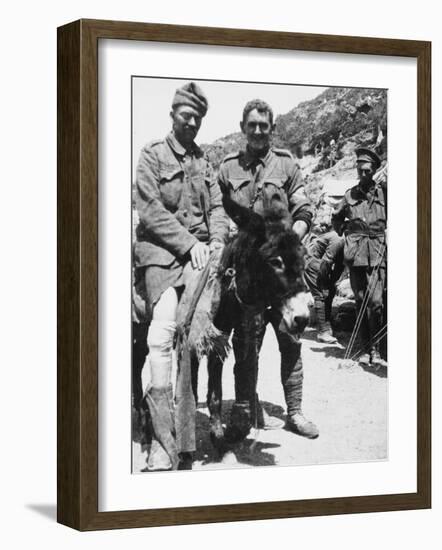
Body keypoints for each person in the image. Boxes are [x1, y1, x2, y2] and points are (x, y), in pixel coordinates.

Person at [133, 82, 229, 470]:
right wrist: (190, 244)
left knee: (195, 337)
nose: (191, 123)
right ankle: (160, 441)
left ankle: (185, 439)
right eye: (185, 115)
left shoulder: (205, 163)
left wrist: (218, 241)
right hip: (161, 254)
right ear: (173, 114)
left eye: (197, 118)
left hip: (201, 257)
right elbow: (150, 210)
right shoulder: (152, 155)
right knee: (161, 333)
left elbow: (218, 208)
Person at [217, 99, 319, 439]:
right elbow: (220, 216)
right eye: (252, 125)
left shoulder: (287, 165)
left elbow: (304, 209)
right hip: (248, 277)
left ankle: (295, 412)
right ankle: (243, 413)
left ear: (271, 128)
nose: (258, 130)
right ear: (243, 127)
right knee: (246, 345)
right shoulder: (228, 168)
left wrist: (290, 238)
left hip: (284, 273)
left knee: (291, 340)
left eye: (264, 125)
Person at [332, 147, 387, 368]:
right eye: (360, 170)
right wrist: (347, 231)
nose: (363, 174)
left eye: (367, 171)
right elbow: (336, 220)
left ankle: (377, 348)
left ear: (373, 170)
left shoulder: (385, 193)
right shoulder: (349, 195)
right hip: (355, 254)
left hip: (378, 251)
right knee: (361, 300)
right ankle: (365, 349)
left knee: (376, 303)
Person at [304, 229, 344, 344]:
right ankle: (323, 332)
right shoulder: (338, 239)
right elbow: (326, 262)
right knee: (320, 294)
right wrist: (324, 283)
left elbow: (339, 266)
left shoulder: (347, 239)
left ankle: (326, 325)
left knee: (330, 291)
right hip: (313, 261)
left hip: (320, 262)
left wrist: (332, 282)